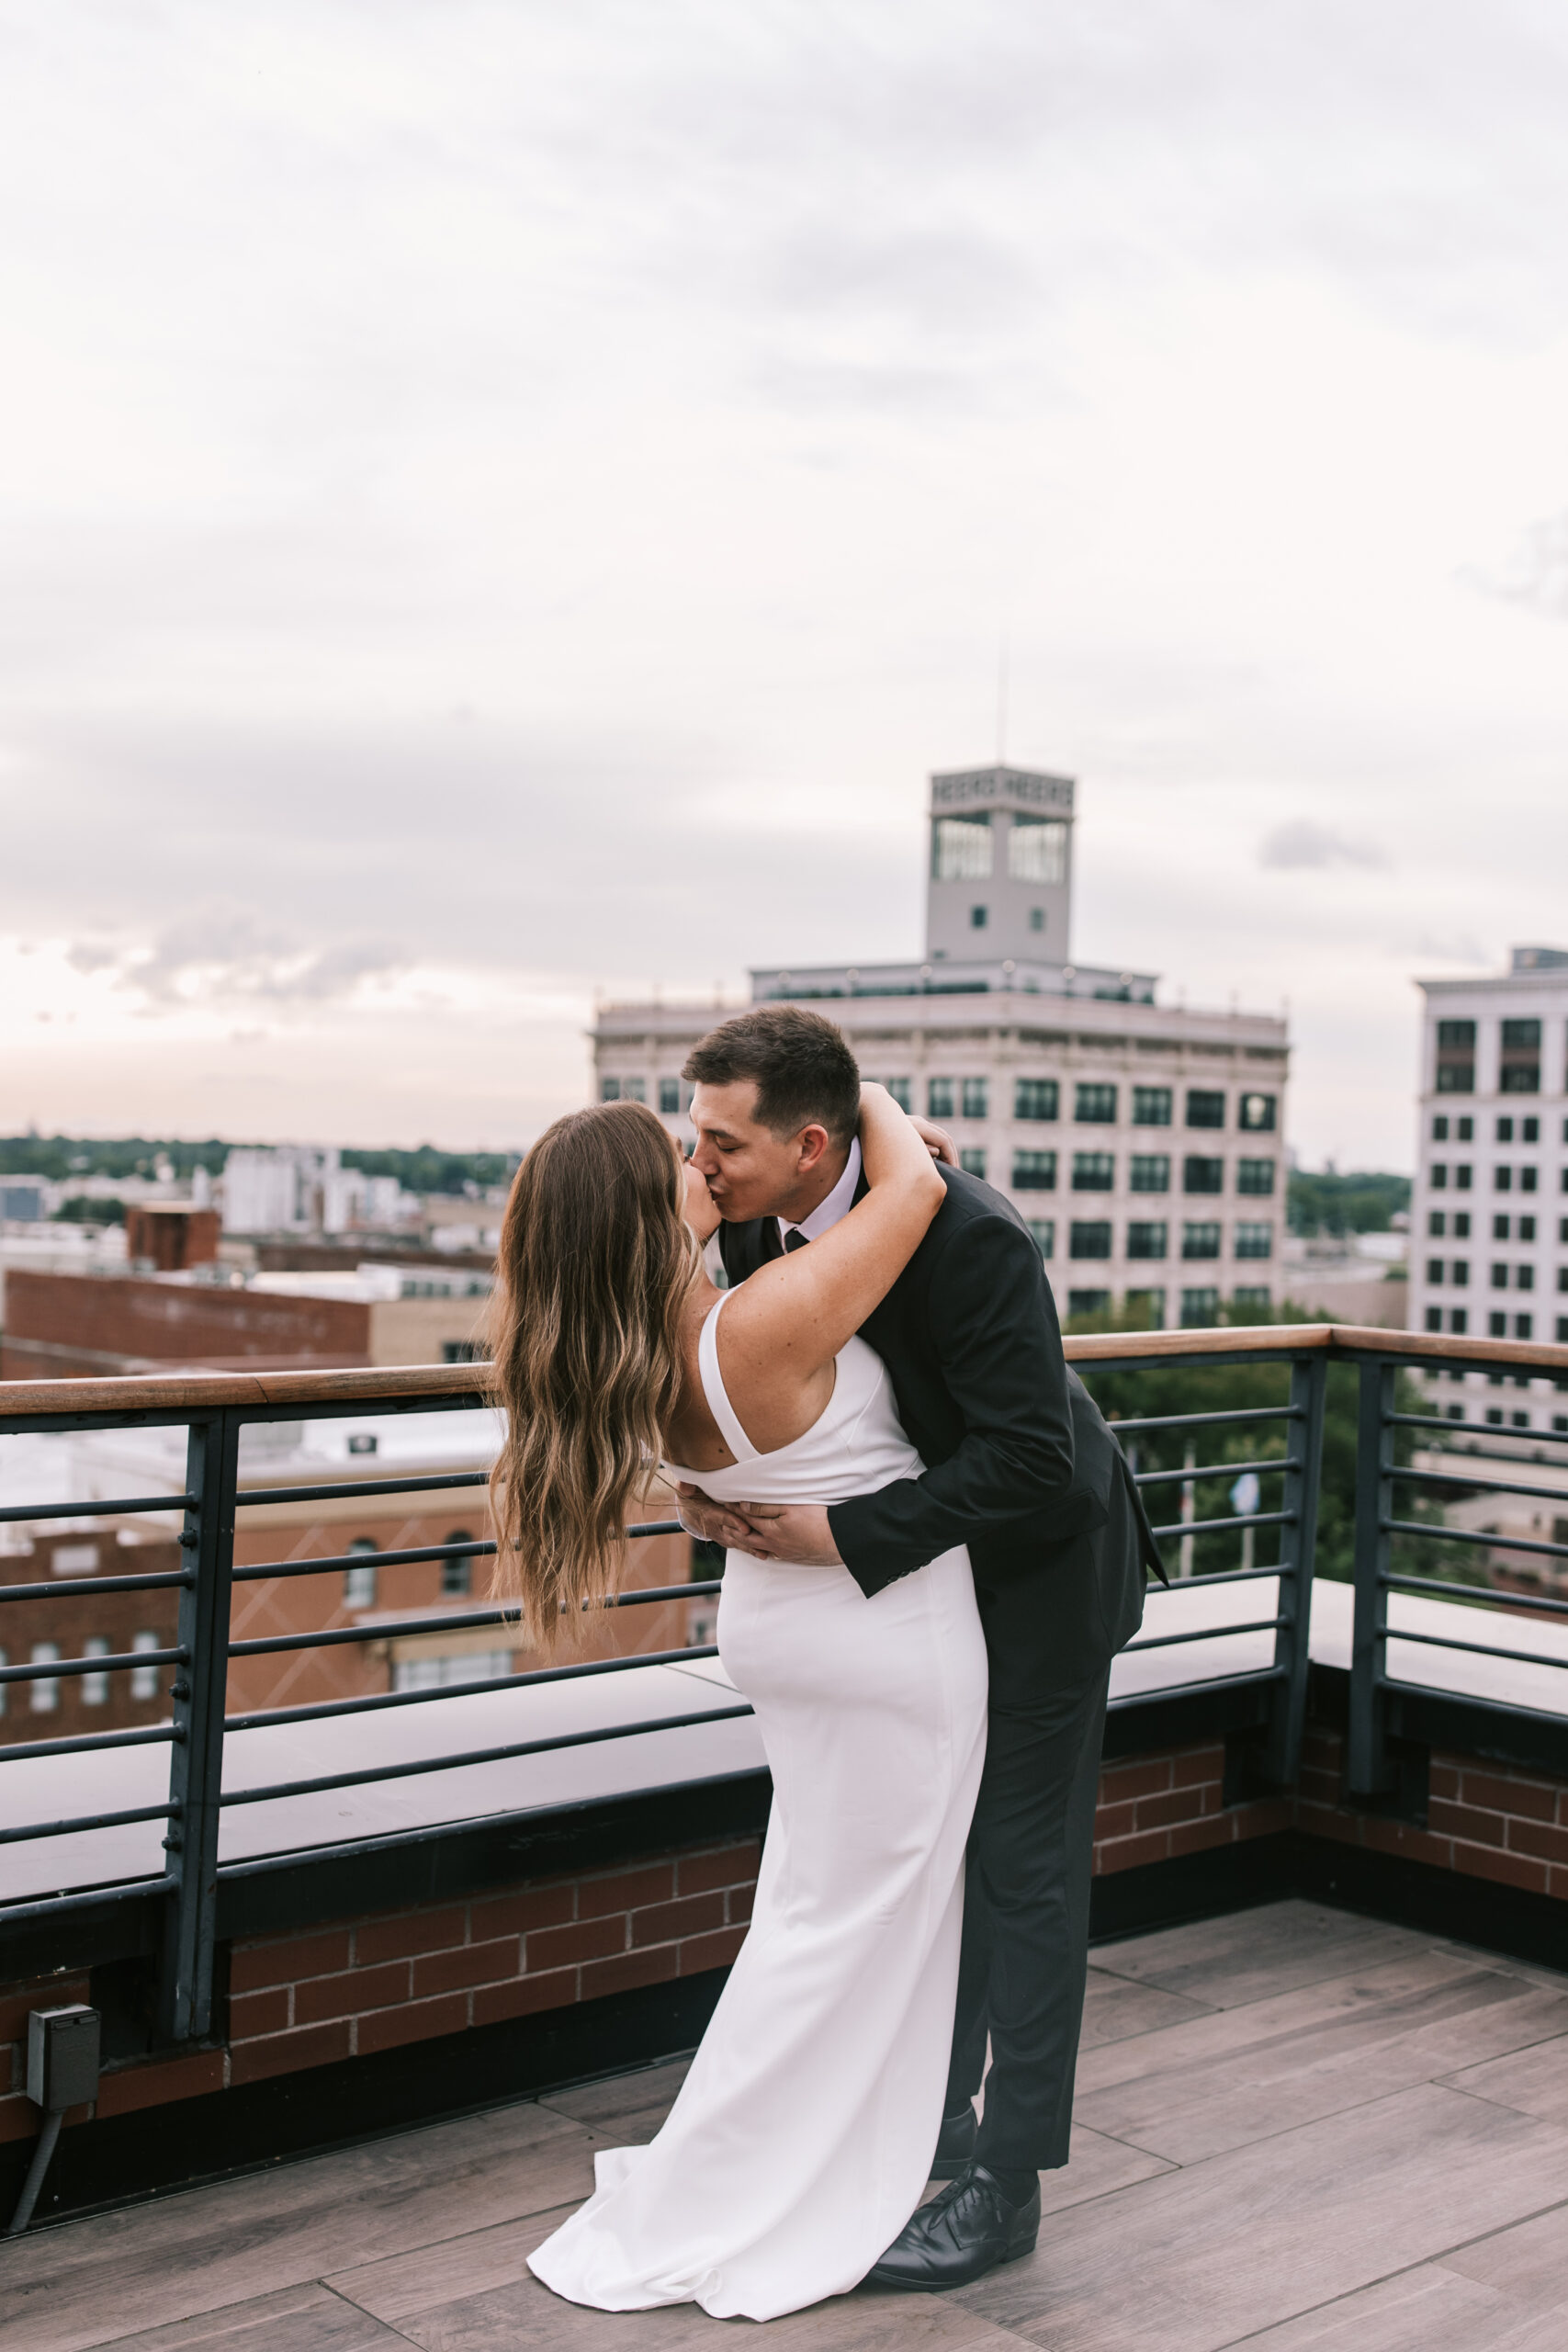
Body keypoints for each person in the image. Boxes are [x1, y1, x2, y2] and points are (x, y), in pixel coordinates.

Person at [677, 1003, 1165, 2292]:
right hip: (927, 1588)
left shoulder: (975, 1236)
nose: (700, 1164)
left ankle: (1004, 2186)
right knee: (931, 1857)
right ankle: (925, 2127)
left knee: (1023, 1869)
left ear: (809, 1144)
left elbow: (1032, 1461)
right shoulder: (748, 1212)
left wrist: (839, 1537)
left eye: (720, 1140)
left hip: (1042, 1572)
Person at [492, 1079, 989, 2323]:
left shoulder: (656, 1347)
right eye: (675, 1149)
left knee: (820, 1919)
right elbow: (919, 1192)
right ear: (638, 1208)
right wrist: (855, 1091)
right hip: (884, 1640)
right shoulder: (754, 1327)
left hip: (785, 1624)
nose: (698, 1160)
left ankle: (778, 2155)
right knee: (855, 1929)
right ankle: (759, 2184)